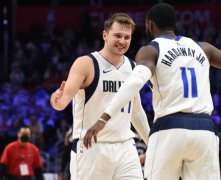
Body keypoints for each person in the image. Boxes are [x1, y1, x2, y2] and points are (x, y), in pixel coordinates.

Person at [83, 3, 221, 180]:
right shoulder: (203, 48)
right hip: (205, 131)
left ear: (149, 24)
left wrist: (104, 117)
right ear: (175, 24)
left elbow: (134, 82)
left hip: (170, 128)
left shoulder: (151, 50)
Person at [50, 13, 150, 180]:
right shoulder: (86, 63)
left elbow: (136, 112)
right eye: (117, 35)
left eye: (127, 37)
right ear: (105, 35)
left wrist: (152, 143)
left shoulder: (133, 67)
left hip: (125, 147)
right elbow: (61, 103)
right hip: (91, 147)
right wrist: (56, 97)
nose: (122, 41)